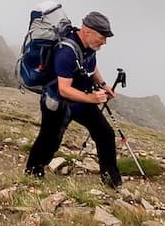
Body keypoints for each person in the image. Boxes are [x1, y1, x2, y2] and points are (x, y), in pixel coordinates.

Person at [23, 10, 122, 186]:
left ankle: (112, 183)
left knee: (105, 134)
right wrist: (92, 98)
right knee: (49, 141)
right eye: (102, 37)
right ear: (87, 31)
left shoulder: (89, 46)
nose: (105, 42)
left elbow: (91, 65)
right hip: (58, 104)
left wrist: (103, 84)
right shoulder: (66, 53)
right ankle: (32, 174)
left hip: (80, 100)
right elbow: (64, 90)